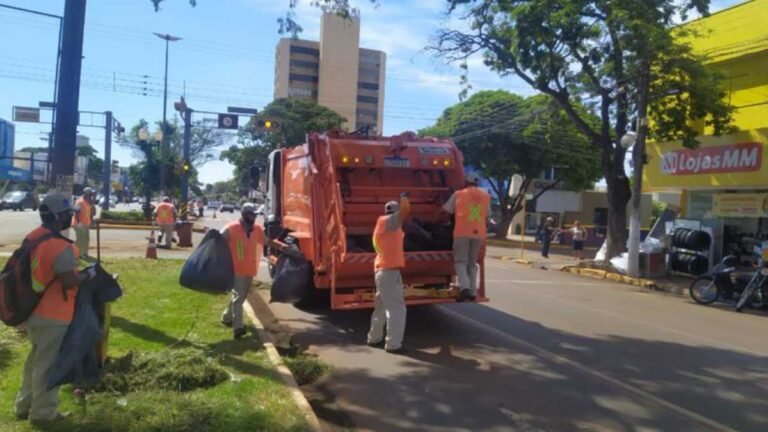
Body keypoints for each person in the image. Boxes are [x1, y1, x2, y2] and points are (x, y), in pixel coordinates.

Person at [14, 192, 96, 426]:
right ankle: (43, 413)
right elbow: (69, 281)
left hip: (32, 310)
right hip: (54, 314)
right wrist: (86, 274)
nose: (71, 219)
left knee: (34, 362)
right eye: (69, 214)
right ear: (59, 216)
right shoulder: (60, 246)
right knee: (48, 366)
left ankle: (24, 404)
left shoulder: (34, 236)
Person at [367, 192, 410, 354]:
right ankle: (393, 344)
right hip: (389, 272)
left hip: (381, 270)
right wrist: (405, 197)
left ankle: (374, 338)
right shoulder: (389, 222)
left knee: (381, 307)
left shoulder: (382, 224)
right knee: (397, 309)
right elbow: (406, 211)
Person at [442, 173, 491, 302]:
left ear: (466, 182)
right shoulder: (485, 196)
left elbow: (447, 211)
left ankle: (464, 288)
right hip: (479, 233)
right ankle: (473, 292)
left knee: (460, 261)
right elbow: (487, 214)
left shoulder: (459, 194)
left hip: (462, 232)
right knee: (472, 263)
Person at [220, 203, 267, 339]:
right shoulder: (231, 228)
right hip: (235, 269)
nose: (254, 217)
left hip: (250, 269)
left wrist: (283, 247)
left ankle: (226, 317)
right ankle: (238, 328)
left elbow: (267, 241)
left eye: (255, 215)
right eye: (251, 214)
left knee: (240, 296)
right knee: (239, 298)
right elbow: (218, 241)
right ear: (244, 214)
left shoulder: (257, 229)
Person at [72, 188, 95, 259]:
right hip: (79, 223)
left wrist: (92, 202)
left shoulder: (89, 202)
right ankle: (74, 253)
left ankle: (84, 254)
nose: (91, 195)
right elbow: (76, 212)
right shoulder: (80, 201)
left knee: (86, 239)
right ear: (86, 194)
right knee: (80, 240)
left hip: (86, 223)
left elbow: (93, 213)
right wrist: (79, 223)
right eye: (90, 194)